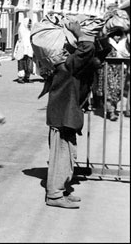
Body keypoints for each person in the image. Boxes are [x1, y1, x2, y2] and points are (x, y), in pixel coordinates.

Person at [44, 21, 96, 209]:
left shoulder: (67, 66)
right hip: (62, 117)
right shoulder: (67, 67)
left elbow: (93, 57)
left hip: (65, 116)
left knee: (67, 155)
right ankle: (54, 195)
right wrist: (79, 32)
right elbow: (87, 49)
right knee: (61, 156)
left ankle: (61, 188)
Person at [94, 27, 129, 121]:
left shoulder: (122, 44)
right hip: (108, 69)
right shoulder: (106, 43)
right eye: (116, 35)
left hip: (119, 70)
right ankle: (111, 111)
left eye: (119, 35)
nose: (118, 37)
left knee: (117, 90)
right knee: (108, 90)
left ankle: (113, 108)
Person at [14, 17, 34, 83]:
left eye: (30, 23)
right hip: (22, 48)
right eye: (29, 23)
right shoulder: (21, 29)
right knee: (21, 63)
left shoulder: (30, 30)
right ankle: (20, 78)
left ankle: (27, 77)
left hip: (29, 49)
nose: (29, 24)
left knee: (29, 64)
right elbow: (21, 39)